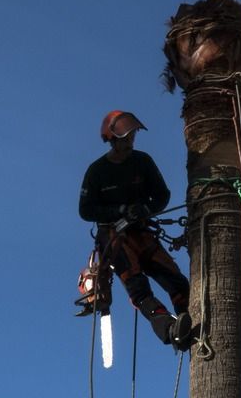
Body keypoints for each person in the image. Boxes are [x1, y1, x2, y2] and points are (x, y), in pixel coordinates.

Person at [78, 110, 192, 350]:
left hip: (141, 231)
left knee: (175, 280)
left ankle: (189, 321)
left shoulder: (142, 161)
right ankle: (169, 329)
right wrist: (119, 210)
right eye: (124, 138)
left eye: (132, 137)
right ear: (111, 139)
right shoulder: (97, 171)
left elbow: (162, 195)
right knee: (137, 285)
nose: (130, 142)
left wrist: (145, 209)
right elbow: (86, 210)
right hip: (113, 236)